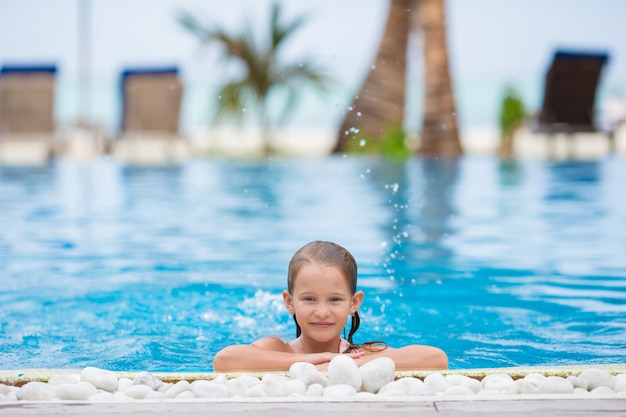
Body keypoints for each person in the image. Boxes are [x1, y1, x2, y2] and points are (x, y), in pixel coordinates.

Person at [212, 241, 448, 372]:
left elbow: (436, 358)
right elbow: (225, 360)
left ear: (354, 303)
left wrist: (341, 364)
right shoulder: (279, 349)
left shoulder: (358, 355)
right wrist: (314, 360)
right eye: (309, 299)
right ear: (289, 302)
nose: (322, 311)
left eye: (334, 300)